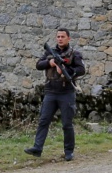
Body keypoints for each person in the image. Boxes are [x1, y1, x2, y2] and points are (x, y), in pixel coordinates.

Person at [26, 28, 86, 161]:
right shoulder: (49, 52)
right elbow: (38, 65)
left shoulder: (74, 54)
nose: (60, 39)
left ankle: (68, 152)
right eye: (58, 36)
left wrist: (66, 70)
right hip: (50, 92)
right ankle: (37, 148)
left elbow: (81, 70)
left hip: (66, 93)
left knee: (67, 124)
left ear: (68, 38)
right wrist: (50, 62)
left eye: (63, 36)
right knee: (43, 121)